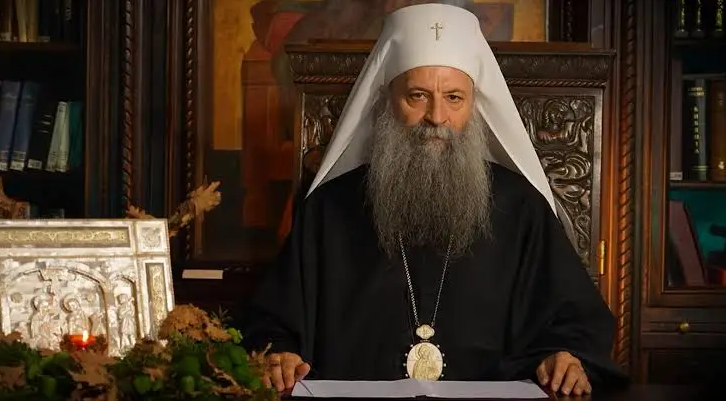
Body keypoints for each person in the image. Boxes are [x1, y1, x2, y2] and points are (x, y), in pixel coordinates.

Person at [239, 2, 628, 398]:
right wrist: (280, 352)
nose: (437, 117)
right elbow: (273, 319)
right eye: (418, 96)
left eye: (454, 97)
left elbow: (575, 320)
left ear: (473, 106)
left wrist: (564, 355)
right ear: (387, 101)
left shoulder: (521, 208)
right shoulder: (329, 209)